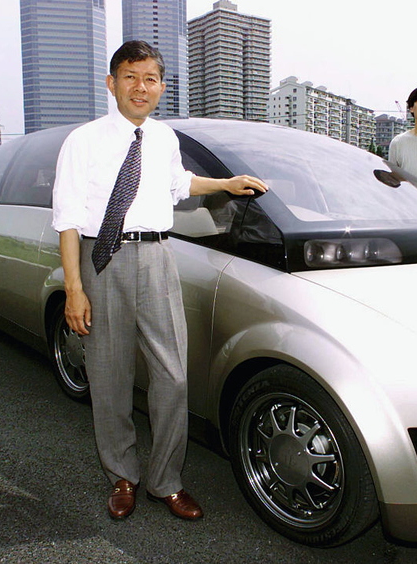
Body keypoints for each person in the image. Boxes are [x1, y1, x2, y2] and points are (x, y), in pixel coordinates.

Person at [51, 40, 267, 522]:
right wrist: (74, 288)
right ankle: (122, 476)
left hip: (157, 255)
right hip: (101, 258)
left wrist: (227, 184)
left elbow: (179, 184)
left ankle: (165, 482)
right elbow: (66, 220)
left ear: (162, 87)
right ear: (111, 83)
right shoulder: (82, 141)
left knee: (172, 375)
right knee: (109, 377)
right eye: (130, 76)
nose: (140, 87)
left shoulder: (165, 138)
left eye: (150, 78)